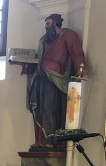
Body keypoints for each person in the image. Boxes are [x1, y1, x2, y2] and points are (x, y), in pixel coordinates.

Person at [27, 14, 85, 148]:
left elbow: (77, 54)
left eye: (48, 24)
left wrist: (80, 68)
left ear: (55, 23)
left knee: (49, 108)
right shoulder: (45, 39)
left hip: (56, 79)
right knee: (38, 108)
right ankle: (42, 140)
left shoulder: (68, 35)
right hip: (41, 77)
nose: (46, 27)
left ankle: (52, 140)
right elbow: (39, 57)